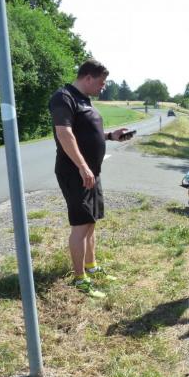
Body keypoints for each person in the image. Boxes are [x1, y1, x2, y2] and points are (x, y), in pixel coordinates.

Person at [50, 59, 134, 298]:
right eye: (101, 82)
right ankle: (80, 279)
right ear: (88, 77)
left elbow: (86, 133)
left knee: (91, 221)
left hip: (90, 172)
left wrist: (110, 136)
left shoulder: (84, 99)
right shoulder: (63, 97)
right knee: (80, 225)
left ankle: (91, 267)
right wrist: (83, 166)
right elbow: (64, 134)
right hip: (75, 172)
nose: (103, 86)